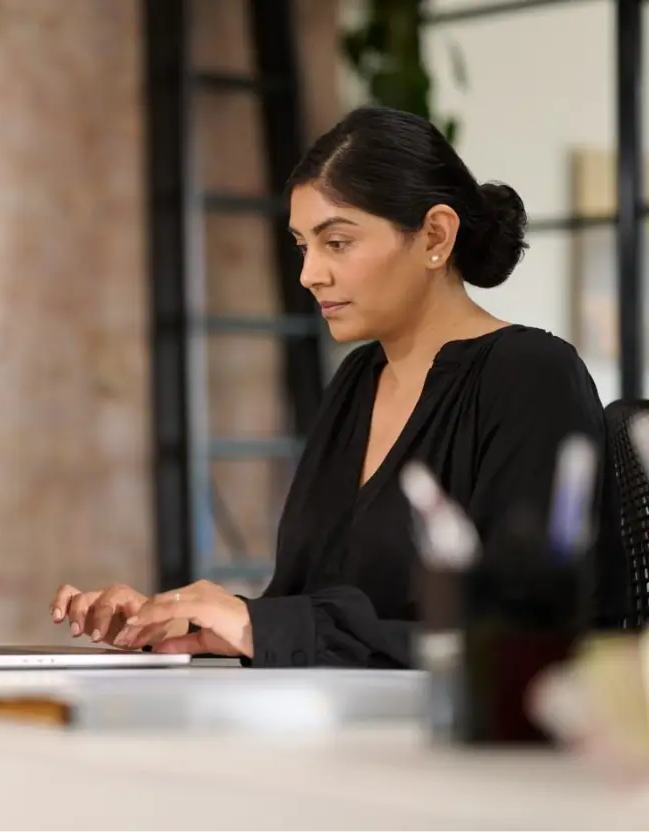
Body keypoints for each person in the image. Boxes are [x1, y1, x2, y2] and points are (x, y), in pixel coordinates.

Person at [51, 105, 622, 668]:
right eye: (303, 245)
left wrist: (262, 625)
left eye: (337, 242)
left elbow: (526, 635)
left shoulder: (531, 375)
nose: (309, 273)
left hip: (462, 750)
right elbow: (311, 608)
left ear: (435, 236)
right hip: (342, 731)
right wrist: (190, 624)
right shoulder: (357, 382)